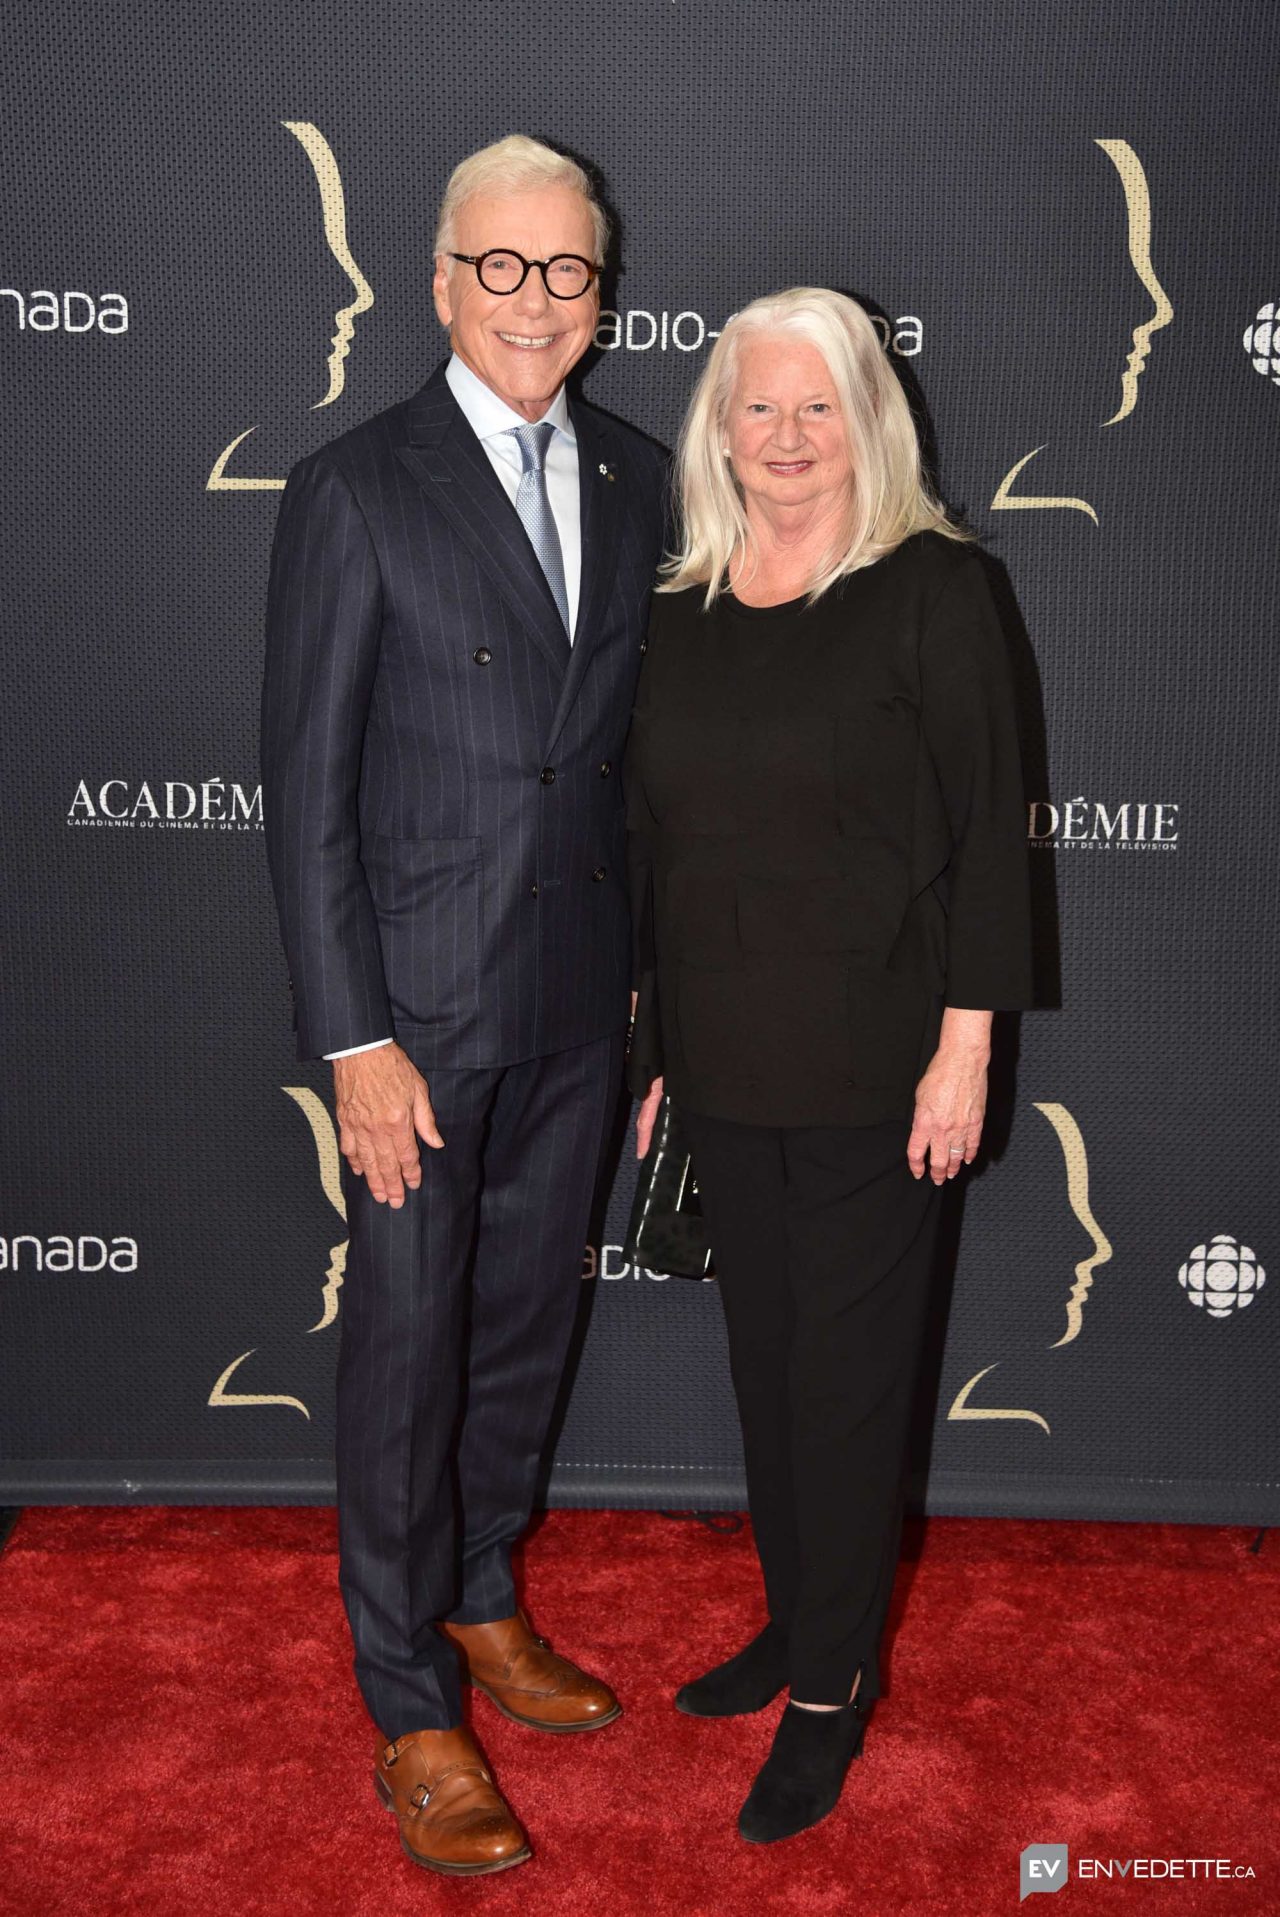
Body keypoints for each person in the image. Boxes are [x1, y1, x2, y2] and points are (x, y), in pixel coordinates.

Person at [261, 134, 668, 1877]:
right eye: (498, 269)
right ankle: (411, 1693)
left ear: (600, 295)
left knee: (522, 1330)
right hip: (414, 1027)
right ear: (438, 284)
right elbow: (307, 788)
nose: (531, 302)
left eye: (564, 272)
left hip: (584, 999)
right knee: (409, 1348)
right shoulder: (355, 486)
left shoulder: (650, 478)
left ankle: (488, 1589)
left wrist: (659, 1010)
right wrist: (352, 1040)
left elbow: (651, 768)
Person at [625, 286, 1035, 1844]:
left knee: (850, 1391)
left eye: (816, 406)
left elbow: (990, 840)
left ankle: (829, 1693)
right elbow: (660, 846)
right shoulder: (681, 604)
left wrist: (967, 1046)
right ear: (716, 427)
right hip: (723, 1059)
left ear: (868, 415)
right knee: (768, 1372)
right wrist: (658, 1047)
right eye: (758, 408)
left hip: (880, 1063)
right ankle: (802, 1626)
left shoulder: (934, 588)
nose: (787, 439)